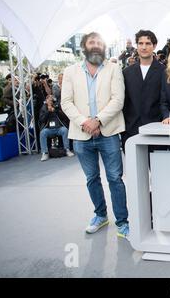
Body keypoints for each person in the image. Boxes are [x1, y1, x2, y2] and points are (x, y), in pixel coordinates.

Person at [61, 32, 129, 239]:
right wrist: (85, 123)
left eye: (100, 42)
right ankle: (100, 216)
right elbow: (66, 102)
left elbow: (118, 100)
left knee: (115, 178)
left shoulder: (114, 69)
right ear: (84, 46)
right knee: (92, 178)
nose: (96, 45)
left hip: (108, 132)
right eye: (92, 42)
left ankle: (123, 222)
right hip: (82, 135)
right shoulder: (71, 71)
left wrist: (98, 120)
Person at [121, 30, 165, 149]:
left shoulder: (164, 71)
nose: (144, 47)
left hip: (157, 132)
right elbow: (123, 102)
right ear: (137, 46)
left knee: (158, 168)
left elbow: (165, 100)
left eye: (148, 43)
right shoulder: (126, 72)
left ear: (154, 46)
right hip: (131, 132)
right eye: (140, 43)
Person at [39, 95, 74, 161]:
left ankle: (67, 149)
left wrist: (56, 110)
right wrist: (48, 111)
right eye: (48, 100)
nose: (50, 101)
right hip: (48, 129)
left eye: (51, 100)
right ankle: (45, 153)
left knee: (65, 130)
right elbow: (41, 120)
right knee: (42, 133)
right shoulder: (43, 108)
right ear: (46, 101)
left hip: (58, 128)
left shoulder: (57, 106)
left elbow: (64, 116)